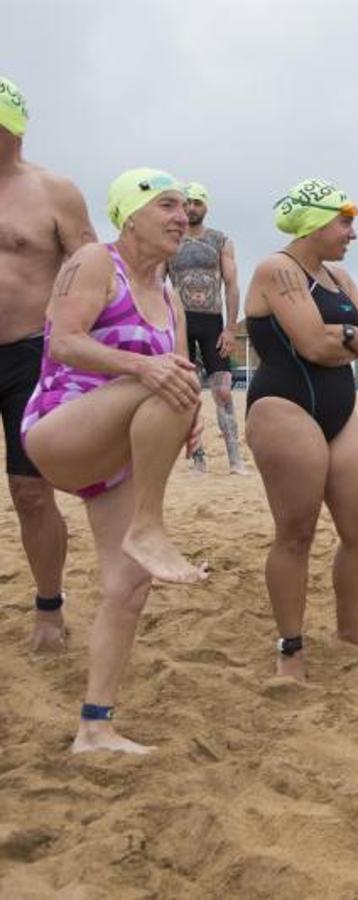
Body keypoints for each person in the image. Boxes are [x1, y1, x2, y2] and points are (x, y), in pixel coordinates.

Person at [21, 168, 207, 753]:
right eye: (167, 205)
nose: (182, 216)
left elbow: (177, 372)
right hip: (61, 425)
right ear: (130, 214)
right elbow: (63, 341)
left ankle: (95, 727)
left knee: (128, 586)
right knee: (165, 378)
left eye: (186, 207)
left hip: (118, 455)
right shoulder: (96, 262)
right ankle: (150, 526)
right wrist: (144, 368)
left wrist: (191, 414)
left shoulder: (171, 294)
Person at [245, 178, 358, 680]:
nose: (352, 232)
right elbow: (311, 346)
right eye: (344, 221)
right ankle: (290, 650)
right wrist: (352, 338)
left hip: (339, 411)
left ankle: (350, 630)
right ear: (313, 222)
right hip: (283, 406)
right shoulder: (276, 269)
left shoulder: (339, 278)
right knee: (297, 534)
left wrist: (344, 334)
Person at [0, 75, 96, 652]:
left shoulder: (53, 191)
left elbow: (92, 271)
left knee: (31, 491)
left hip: (29, 353)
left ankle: (49, 608)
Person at [167, 181, 246, 475]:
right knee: (189, 392)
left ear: (206, 206)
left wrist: (230, 328)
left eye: (196, 202)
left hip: (213, 321)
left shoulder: (220, 240)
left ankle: (235, 458)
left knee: (223, 391)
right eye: (186, 202)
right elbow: (153, 283)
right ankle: (198, 457)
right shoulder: (170, 241)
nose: (190, 208)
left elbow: (232, 285)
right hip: (180, 322)